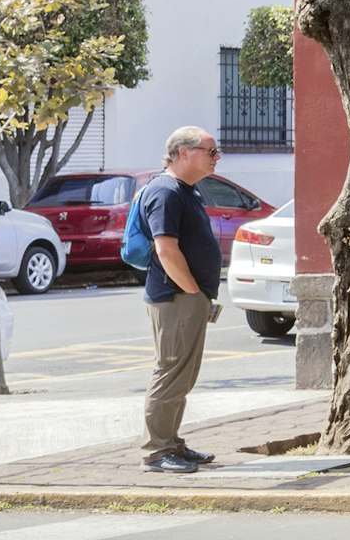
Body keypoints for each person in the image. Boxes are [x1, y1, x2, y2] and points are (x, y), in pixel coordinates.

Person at [132, 125, 225, 475]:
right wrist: (193, 292)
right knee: (170, 371)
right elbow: (166, 249)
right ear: (184, 152)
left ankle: (171, 443)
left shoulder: (184, 189)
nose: (217, 158)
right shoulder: (166, 191)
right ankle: (156, 451)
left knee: (182, 376)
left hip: (186, 297)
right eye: (210, 150)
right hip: (175, 297)